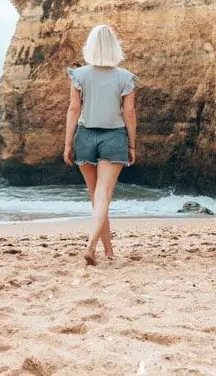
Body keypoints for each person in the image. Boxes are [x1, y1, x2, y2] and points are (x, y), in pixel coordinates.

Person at [63, 24, 138, 266]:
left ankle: (108, 251)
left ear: (90, 47)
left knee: (97, 199)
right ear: (115, 47)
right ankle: (92, 247)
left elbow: (74, 110)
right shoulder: (125, 77)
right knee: (103, 196)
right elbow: (130, 114)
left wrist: (67, 145)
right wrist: (132, 146)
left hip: (85, 136)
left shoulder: (79, 75)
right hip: (114, 137)